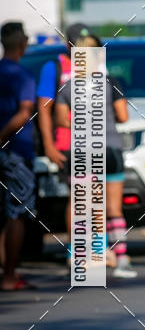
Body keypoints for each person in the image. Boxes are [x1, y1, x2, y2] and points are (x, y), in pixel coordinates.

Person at [55, 33, 137, 279]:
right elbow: (123, 117)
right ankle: (120, 260)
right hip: (109, 148)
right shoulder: (111, 82)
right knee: (112, 208)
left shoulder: (68, 87)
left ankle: (82, 258)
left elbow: (60, 120)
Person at [36, 22, 87, 263]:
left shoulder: (96, 66)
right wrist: (49, 144)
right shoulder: (54, 67)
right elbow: (44, 108)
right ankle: (76, 250)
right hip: (68, 142)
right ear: (68, 44)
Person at [0, 22, 36, 291]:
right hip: (15, 151)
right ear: (21, 43)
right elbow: (25, 113)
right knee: (16, 212)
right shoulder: (23, 76)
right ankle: (10, 275)